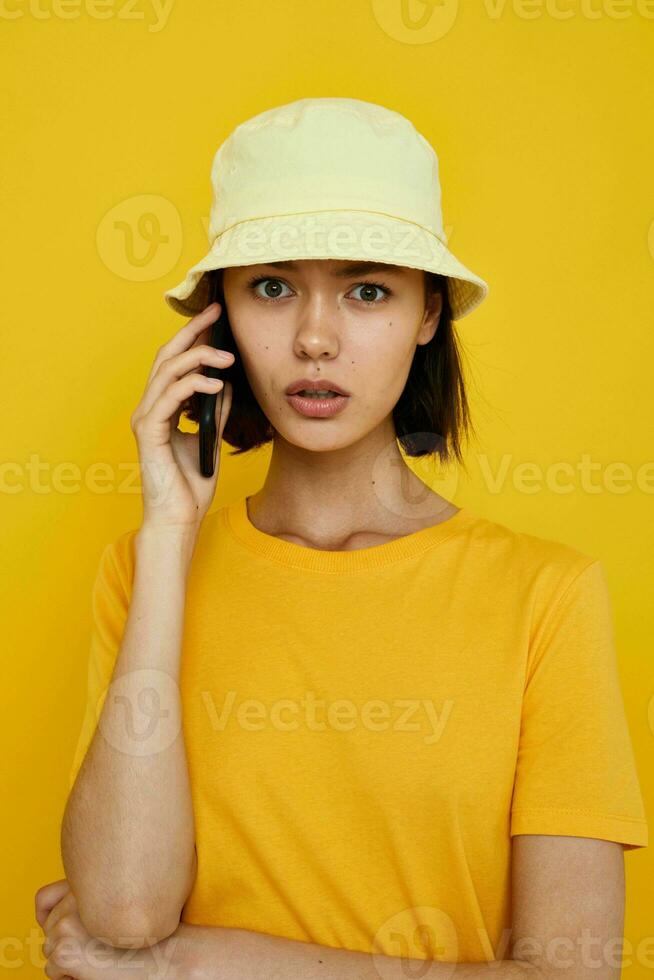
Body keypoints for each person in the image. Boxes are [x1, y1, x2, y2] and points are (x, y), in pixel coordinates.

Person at [56, 98, 648, 973]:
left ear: (428, 314)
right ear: (217, 317)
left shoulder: (545, 596)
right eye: (271, 286)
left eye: (368, 290)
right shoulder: (147, 571)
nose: (314, 339)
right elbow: (124, 911)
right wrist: (168, 535)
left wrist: (201, 964)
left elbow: (570, 973)